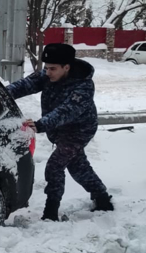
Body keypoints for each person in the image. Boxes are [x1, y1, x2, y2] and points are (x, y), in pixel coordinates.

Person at [6, 43, 113, 221]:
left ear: (67, 67)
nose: (47, 72)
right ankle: (101, 197)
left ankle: (51, 211)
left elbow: (67, 110)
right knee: (77, 165)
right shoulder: (49, 74)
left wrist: (41, 125)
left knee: (55, 166)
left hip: (79, 129)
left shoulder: (83, 85)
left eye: (52, 69)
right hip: (58, 128)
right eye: (46, 68)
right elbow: (25, 85)